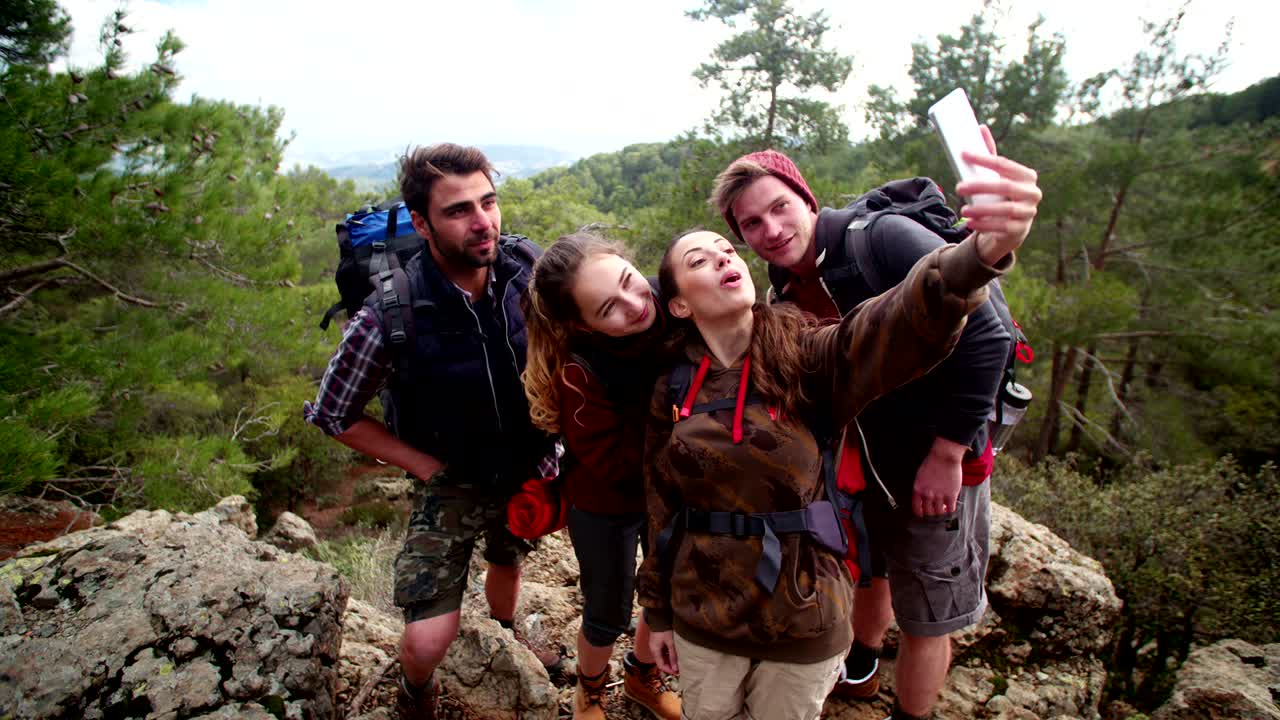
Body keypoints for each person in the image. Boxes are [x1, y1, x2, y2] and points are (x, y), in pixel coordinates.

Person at [638, 207, 1028, 719]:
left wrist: (976, 257)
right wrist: (658, 611)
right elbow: (661, 506)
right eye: (699, 260)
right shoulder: (674, 386)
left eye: (727, 251)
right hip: (705, 617)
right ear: (681, 305)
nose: (723, 258)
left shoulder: (804, 358)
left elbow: (887, 324)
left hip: (804, 613)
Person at [304, 143, 558, 720]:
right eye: (458, 210)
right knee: (425, 641)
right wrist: (422, 467)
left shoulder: (527, 273)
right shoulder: (392, 311)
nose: (482, 222)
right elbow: (331, 412)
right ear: (421, 223)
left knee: (508, 555)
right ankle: (416, 691)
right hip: (451, 475)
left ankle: (505, 632)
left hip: (527, 462)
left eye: (488, 203)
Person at [522, 232, 682, 720]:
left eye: (631, 282)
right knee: (607, 609)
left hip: (670, 493)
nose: (635, 304)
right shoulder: (580, 372)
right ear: (583, 325)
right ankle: (589, 690)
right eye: (609, 307)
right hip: (605, 504)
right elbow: (608, 461)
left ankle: (640, 675)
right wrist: (680, 431)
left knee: (661, 592)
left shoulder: (670, 303)